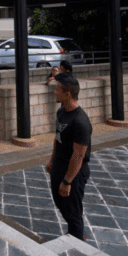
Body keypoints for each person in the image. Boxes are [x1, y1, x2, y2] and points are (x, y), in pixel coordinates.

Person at [45, 73, 92, 241]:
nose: (55, 92)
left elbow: (78, 156)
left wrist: (67, 181)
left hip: (74, 172)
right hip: (59, 165)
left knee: (72, 210)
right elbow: (57, 138)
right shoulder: (61, 112)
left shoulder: (80, 122)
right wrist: (52, 160)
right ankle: (76, 233)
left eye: (58, 90)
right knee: (60, 202)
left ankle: (77, 241)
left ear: (68, 94)